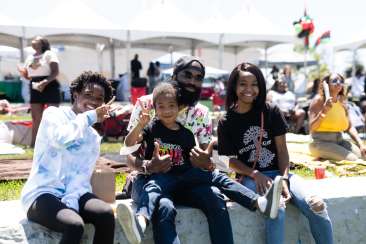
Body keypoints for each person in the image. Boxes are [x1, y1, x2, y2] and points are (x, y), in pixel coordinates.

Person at [121, 56, 279, 244]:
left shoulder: (201, 113)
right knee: (163, 206)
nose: (192, 82)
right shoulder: (148, 105)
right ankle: (140, 223)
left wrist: (206, 162)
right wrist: (148, 166)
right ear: (174, 75)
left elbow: (210, 161)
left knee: (214, 197)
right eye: (187, 75)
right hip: (150, 180)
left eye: (198, 77)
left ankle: (258, 203)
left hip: (187, 179)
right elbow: (128, 154)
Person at [218, 62, 333, 244]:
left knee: (316, 205)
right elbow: (226, 161)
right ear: (233, 86)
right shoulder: (226, 121)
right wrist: (255, 174)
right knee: (276, 207)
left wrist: (285, 179)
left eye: (254, 84)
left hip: (281, 173)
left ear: (261, 86)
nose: (249, 89)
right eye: (243, 84)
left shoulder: (270, 111)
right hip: (250, 177)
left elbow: (282, 150)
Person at [20, 71, 115, 244]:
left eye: (100, 98)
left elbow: (81, 177)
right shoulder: (54, 115)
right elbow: (60, 139)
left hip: (73, 193)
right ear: (75, 95)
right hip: (43, 193)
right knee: (74, 225)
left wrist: (71, 202)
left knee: (106, 214)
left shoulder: (93, 137)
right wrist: (90, 117)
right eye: (88, 95)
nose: (94, 101)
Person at [308, 73, 366, 161]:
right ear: (327, 84)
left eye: (341, 81)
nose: (339, 83)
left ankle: (326, 156)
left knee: (363, 156)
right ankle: (323, 155)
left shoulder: (342, 102)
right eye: (334, 81)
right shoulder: (318, 100)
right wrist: (324, 111)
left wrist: (361, 144)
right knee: (353, 160)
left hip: (339, 141)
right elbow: (312, 128)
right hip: (320, 142)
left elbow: (349, 127)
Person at [18, 36, 61, 147]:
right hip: (35, 86)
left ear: (42, 43)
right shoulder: (29, 57)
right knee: (36, 118)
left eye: (36, 39)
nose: (33, 41)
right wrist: (24, 74)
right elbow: (29, 76)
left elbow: (55, 72)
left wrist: (44, 83)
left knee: (53, 117)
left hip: (50, 85)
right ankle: (34, 145)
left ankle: (54, 144)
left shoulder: (49, 54)